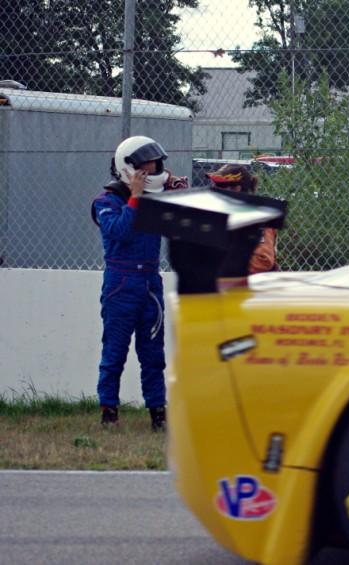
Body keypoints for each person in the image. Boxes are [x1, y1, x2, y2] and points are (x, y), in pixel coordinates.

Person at [91, 136, 187, 431]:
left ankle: (158, 414)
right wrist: (134, 197)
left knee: (153, 355)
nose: (153, 170)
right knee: (115, 352)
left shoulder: (152, 201)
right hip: (121, 282)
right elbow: (119, 231)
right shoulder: (105, 201)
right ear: (128, 169)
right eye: (145, 168)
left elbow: (181, 227)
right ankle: (109, 412)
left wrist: (180, 195)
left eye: (155, 166)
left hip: (149, 283)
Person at [207, 163, 279, 274]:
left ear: (236, 189)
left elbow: (263, 261)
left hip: (258, 286)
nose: (213, 189)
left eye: (219, 185)